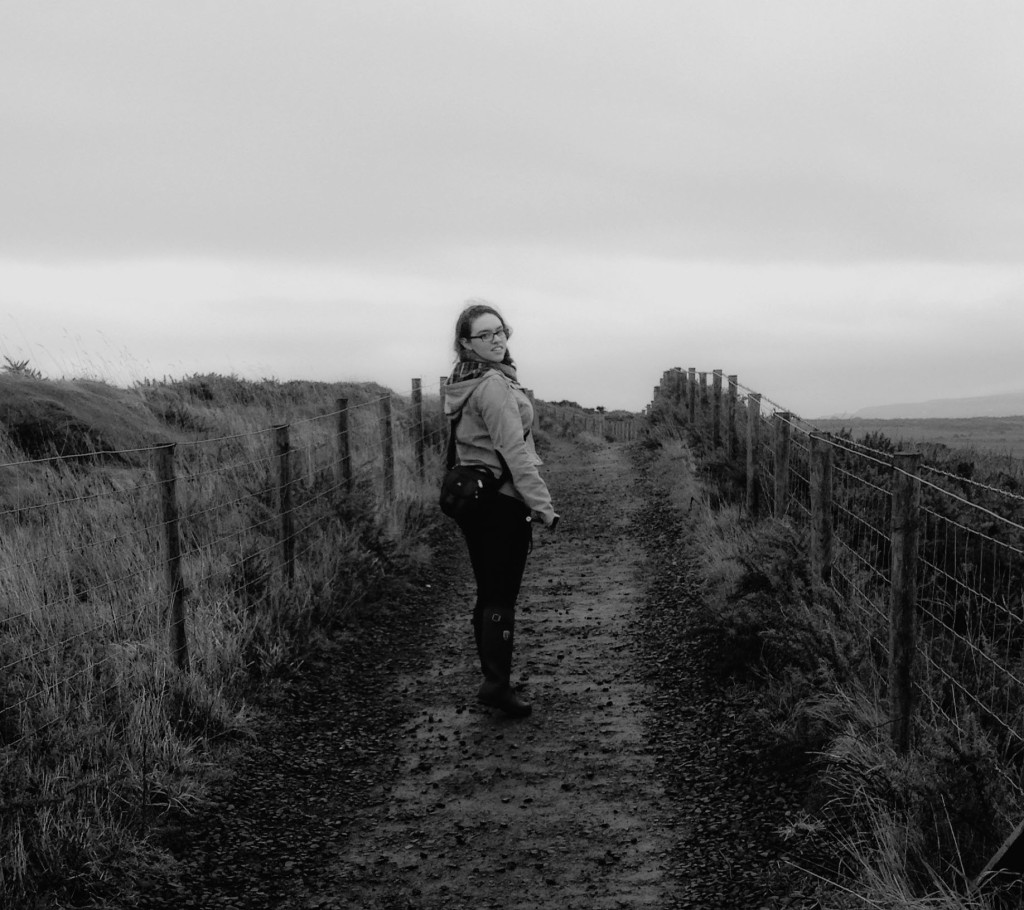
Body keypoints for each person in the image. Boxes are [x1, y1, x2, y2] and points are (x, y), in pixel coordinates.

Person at [443, 300, 559, 718]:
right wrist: (542, 505)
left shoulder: (465, 380)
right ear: (466, 343)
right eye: (485, 335)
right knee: (500, 594)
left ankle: (494, 678)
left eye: (501, 331)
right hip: (501, 500)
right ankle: (497, 685)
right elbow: (514, 451)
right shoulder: (491, 386)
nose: (496, 340)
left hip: (476, 499)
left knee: (488, 589)